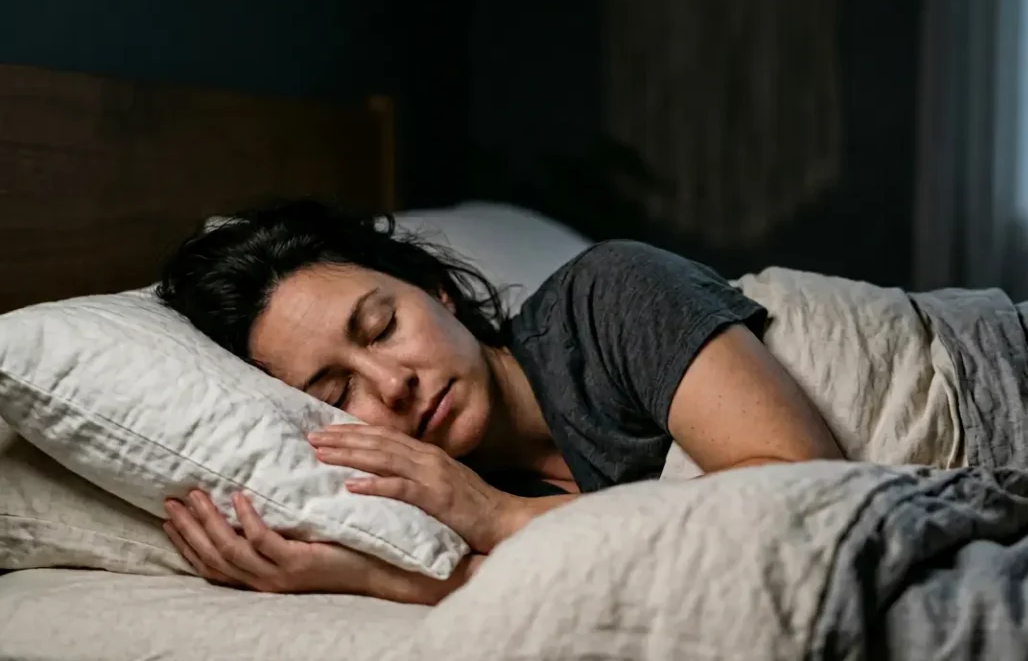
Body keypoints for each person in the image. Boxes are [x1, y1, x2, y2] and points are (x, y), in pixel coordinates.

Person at [155, 198, 845, 604]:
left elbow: (804, 489)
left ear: (436, 290)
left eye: (384, 327)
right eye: (338, 393)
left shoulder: (610, 293)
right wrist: (379, 575)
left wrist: (502, 517)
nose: (393, 385)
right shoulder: (428, 498)